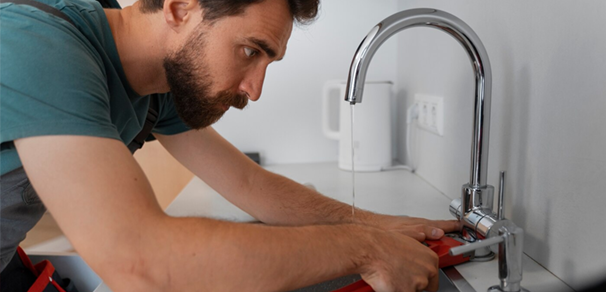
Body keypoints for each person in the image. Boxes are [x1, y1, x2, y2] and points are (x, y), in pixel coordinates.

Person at [0, 0, 461, 290]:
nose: (256, 88)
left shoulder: (157, 84)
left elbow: (249, 184)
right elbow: (139, 260)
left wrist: (382, 226)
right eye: (250, 50)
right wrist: (365, 248)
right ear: (180, 8)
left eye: (269, 60)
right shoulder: (43, 45)